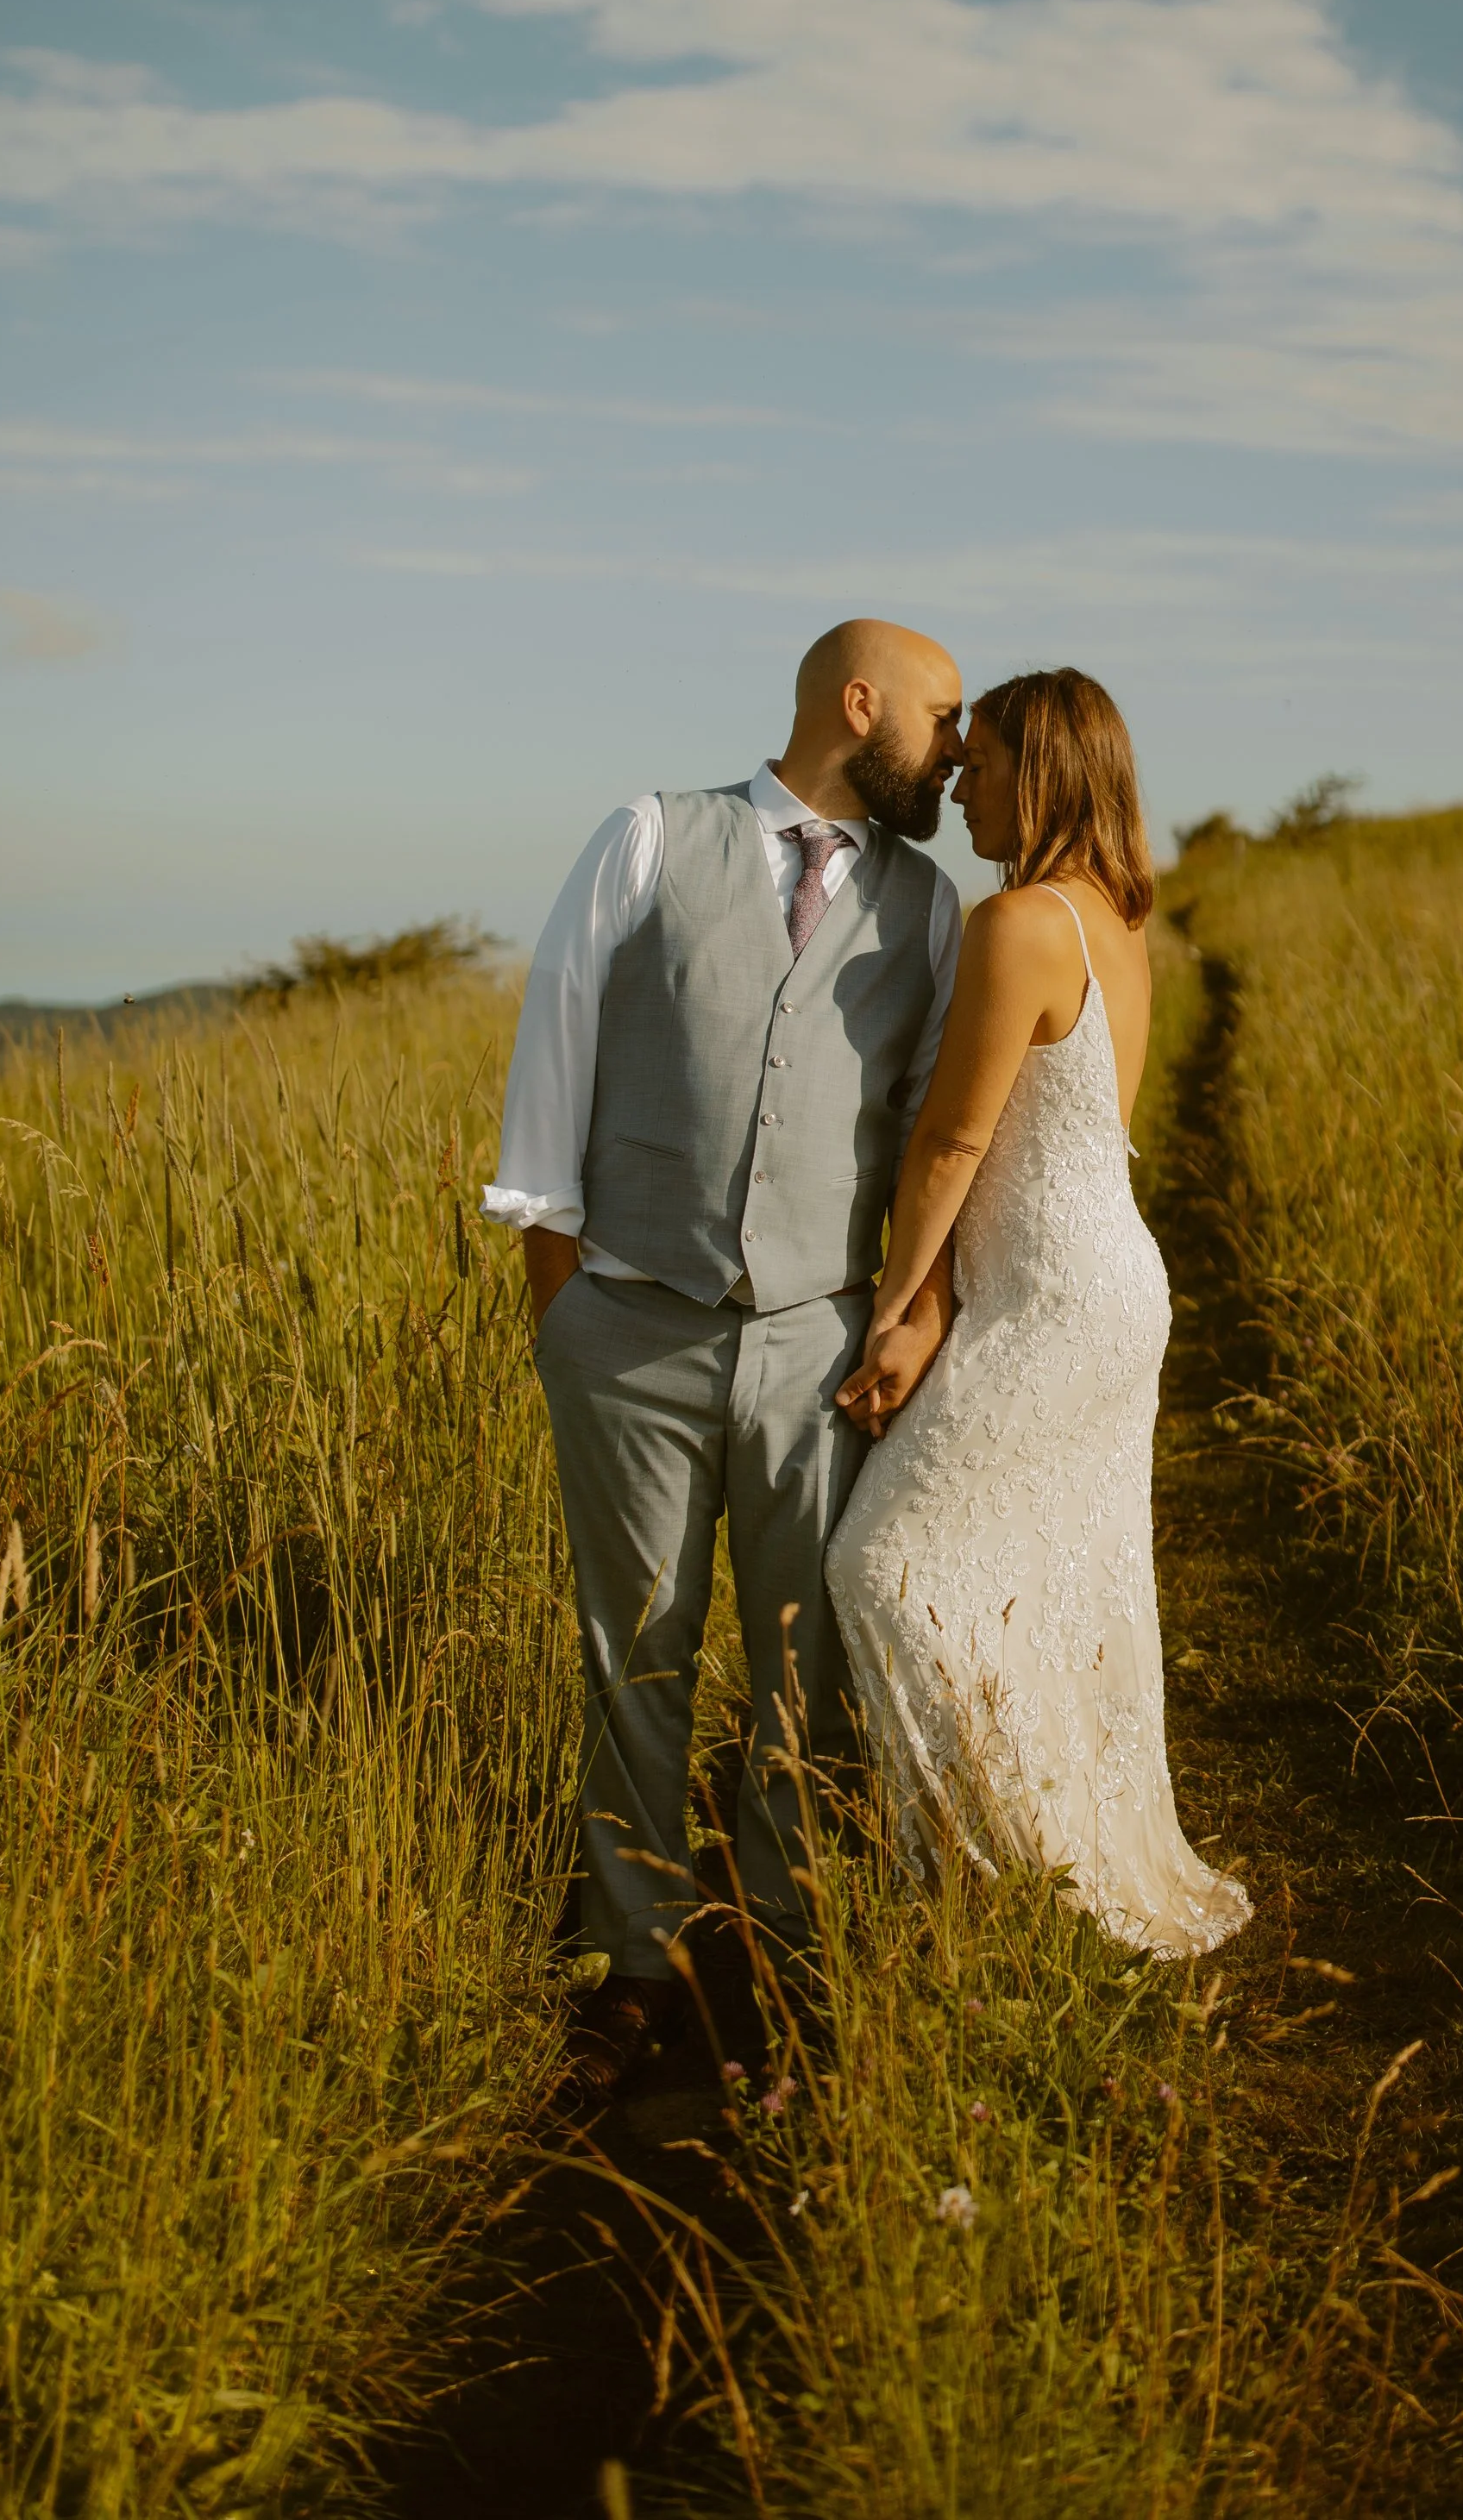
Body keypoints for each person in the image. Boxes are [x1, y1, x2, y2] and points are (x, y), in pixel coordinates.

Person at [483, 620, 966, 2095]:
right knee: (634, 1651)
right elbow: (554, 1041)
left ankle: (776, 1948)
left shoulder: (930, 906)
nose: (957, 748)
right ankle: (636, 1959)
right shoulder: (648, 837)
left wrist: (912, 1309)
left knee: (803, 1668)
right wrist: (561, 1293)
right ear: (857, 703)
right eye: (943, 718)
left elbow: (945, 1132)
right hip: (624, 1324)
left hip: (818, 1343)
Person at [827, 668, 1251, 1959]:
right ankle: (1043, 1871)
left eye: (985, 760)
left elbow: (955, 1142)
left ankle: (992, 1874)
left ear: (1047, 771)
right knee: (1049, 1582)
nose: (958, 781)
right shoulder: (1115, 918)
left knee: (885, 1566)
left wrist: (897, 1307)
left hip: (1060, 1298)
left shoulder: (1020, 924)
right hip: (1105, 1284)